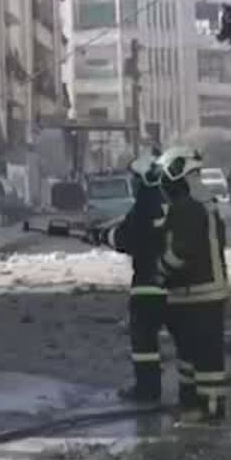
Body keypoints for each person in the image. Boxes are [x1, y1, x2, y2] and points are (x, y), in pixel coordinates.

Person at [157, 145, 231, 422]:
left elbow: (181, 253)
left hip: (199, 294)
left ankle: (210, 409)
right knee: (189, 356)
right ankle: (191, 404)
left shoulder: (188, 206)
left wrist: (158, 272)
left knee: (205, 358)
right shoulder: (203, 202)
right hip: (196, 294)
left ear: (177, 174)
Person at [92, 153, 172, 403]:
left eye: (135, 178)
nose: (133, 183)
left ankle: (147, 390)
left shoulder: (144, 206)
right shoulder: (172, 202)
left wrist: (104, 237)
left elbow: (128, 238)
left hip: (148, 285)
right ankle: (191, 394)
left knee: (144, 341)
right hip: (176, 286)